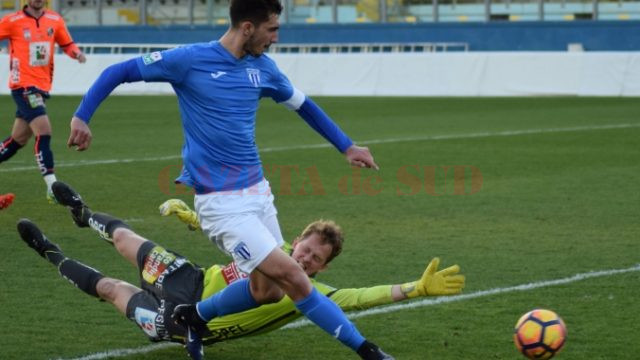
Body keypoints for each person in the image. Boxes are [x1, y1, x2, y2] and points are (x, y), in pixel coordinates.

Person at [66, 0, 386, 358]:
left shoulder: (264, 69)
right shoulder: (188, 60)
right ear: (247, 28)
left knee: (269, 291)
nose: (276, 38)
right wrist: (82, 116)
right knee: (295, 278)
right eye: (272, 29)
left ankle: (193, 317)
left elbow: (304, 104)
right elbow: (119, 70)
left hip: (259, 193)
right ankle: (369, 351)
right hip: (222, 204)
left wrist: (347, 146)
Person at [17, 181, 465, 360]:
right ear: (298, 239)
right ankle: (83, 214)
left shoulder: (309, 292)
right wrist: (193, 220)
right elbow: (233, 236)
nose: (305, 261)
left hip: (184, 324)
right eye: (305, 250)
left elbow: (365, 296)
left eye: (315, 260)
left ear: (324, 267)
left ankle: (50, 252)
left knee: (112, 289)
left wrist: (415, 288)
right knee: (125, 240)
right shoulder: (269, 248)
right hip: (187, 278)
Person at [0, 0, 86, 202]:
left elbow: (67, 44)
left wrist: (77, 53)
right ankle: (52, 187)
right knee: (44, 131)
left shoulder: (55, 20)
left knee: (17, 140)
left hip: (42, 87)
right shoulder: (13, 21)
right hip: (23, 86)